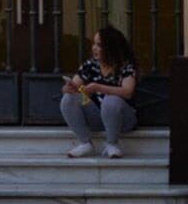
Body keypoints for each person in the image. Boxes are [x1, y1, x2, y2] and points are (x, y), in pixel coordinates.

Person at [60, 25, 141, 160]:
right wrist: (68, 88)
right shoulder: (90, 65)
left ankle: (112, 143)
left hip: (123, 118)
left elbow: (128, 92)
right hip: (98, 116)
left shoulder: (125, 66)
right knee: (68, 98)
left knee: (110, 100)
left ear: (110, 48)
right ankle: (85, 143)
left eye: (99, 45)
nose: (94, 48)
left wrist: (98, 87)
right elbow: (75, 84)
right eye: (94, 44)